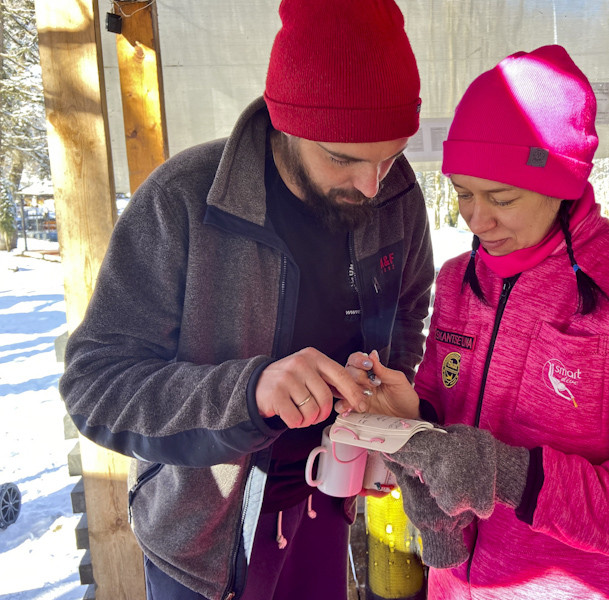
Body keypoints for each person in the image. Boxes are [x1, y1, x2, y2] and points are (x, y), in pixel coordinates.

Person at [58, 1, 434, 599]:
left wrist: (388, 389)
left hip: (331, 503)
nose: (372, 185)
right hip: (202, 539)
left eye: (388, 158)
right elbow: (96, 388)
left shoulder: (397, 193)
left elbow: (409, 307)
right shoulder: (181, 201)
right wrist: (251, 392)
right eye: (344, 159)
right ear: (284, 123)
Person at [346, 45, 609, 599]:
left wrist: (504, 473)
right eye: (462, 195)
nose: (477, 219)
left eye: (501, 197)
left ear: (562, 185)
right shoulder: (459, 279)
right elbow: (443, 401)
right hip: (452, 586)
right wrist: (410, 419)